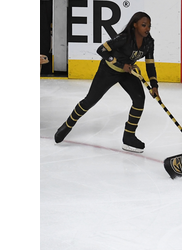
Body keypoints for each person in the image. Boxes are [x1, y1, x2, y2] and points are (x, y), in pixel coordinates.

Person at [54, 11, 159, 153]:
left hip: (127, 72)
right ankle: (67, 125)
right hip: (108, 71)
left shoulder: (149, 42)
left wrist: (154, 85)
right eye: (144, 25)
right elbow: (101, 50)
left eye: (149, 26)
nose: (147, 29)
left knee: (139, 99)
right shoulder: (124, 38)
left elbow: (150, 64)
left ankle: (129, 137)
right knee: (89, 101)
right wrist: (121, 65)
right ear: (135, 25)